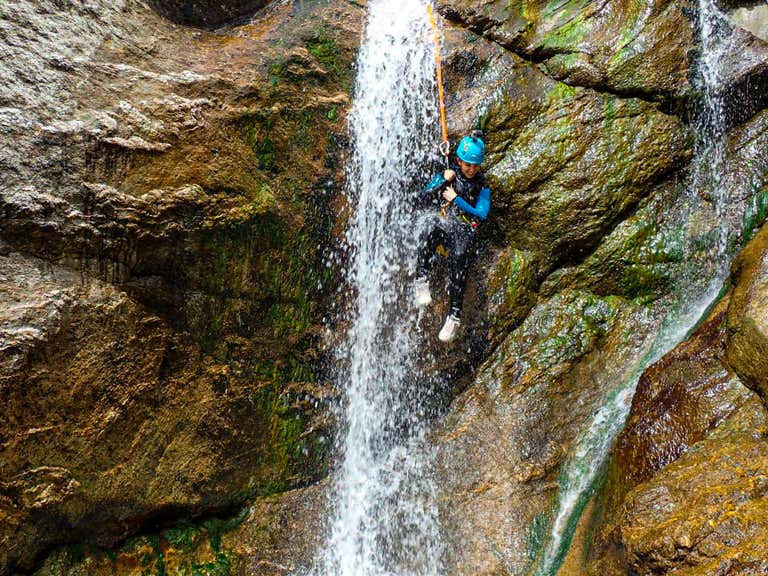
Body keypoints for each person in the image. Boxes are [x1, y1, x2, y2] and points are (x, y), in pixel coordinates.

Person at [415, 131, 491, 342]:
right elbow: (423, 197)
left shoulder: (482, 186)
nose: (471, 169)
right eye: (467, 165)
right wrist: (442, 181)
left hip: (463, 230)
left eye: (475, 166)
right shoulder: (449, 174)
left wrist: (457, 199)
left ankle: (454, 316)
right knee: (430, 227)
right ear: (459, 161)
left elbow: (482, 213)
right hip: (445, 225)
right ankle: (421, 279)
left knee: (459, 257)